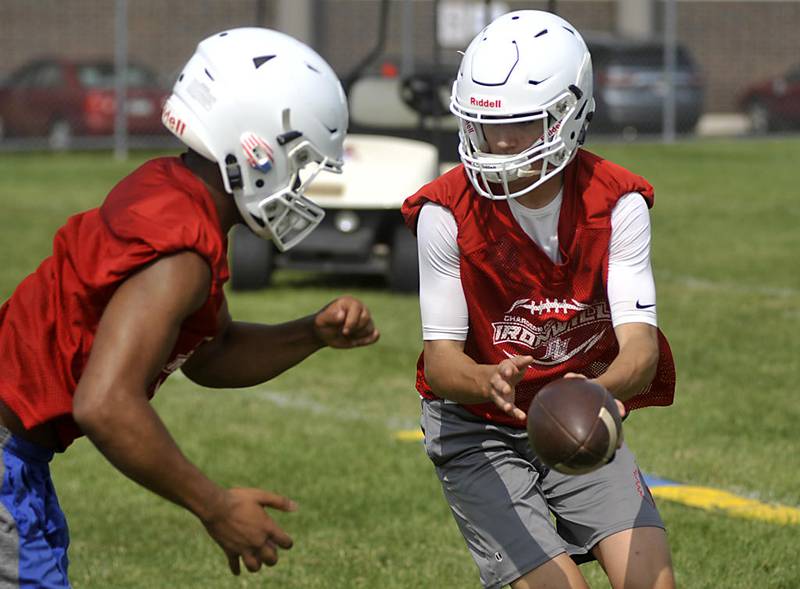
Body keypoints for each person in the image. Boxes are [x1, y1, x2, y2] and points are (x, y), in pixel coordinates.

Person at [0, 28, 379, 586]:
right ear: (256, 149)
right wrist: (216, 506)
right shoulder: (180, 253)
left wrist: (310, 333)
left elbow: (210, 352)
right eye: (298, 161)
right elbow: (104, 404)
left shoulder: (174, 193)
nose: (299, 183)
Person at [401, 10, 677, 589]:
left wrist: (589, 398)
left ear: (569, 116)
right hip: (475, 422)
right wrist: (489, 382)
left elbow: (641, 350)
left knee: (651, 582)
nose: (498, 141)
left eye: (522, 124)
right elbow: (443, 361)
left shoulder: (617, 203)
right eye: (482, 124)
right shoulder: (443, 213)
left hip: (576, 402)